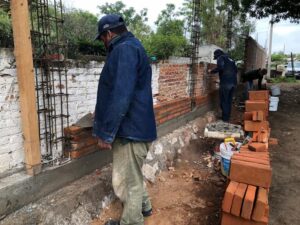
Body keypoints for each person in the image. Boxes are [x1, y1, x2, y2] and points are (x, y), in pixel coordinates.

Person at [93, 14, 157, 225]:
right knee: (134, 176)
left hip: (130, 131)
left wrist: (107, 133)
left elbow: (121, 95)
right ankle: (144, 207)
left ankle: (132, 222)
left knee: (125, 182)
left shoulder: (124, 50)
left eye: (102, 38)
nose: (103, 43)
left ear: (109, 33)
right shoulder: (132, 45)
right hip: (137, 128)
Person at [209, 49, 238, 122]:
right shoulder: (231, 59)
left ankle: (224, 119)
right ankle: (227, 117)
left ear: (217, 55)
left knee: (224, 101)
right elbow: (236, 71)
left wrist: (211, 71)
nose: (216, 59)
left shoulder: (220, 58)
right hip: (233, 84)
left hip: (225, 84)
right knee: (228, 101)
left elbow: (221, 67)